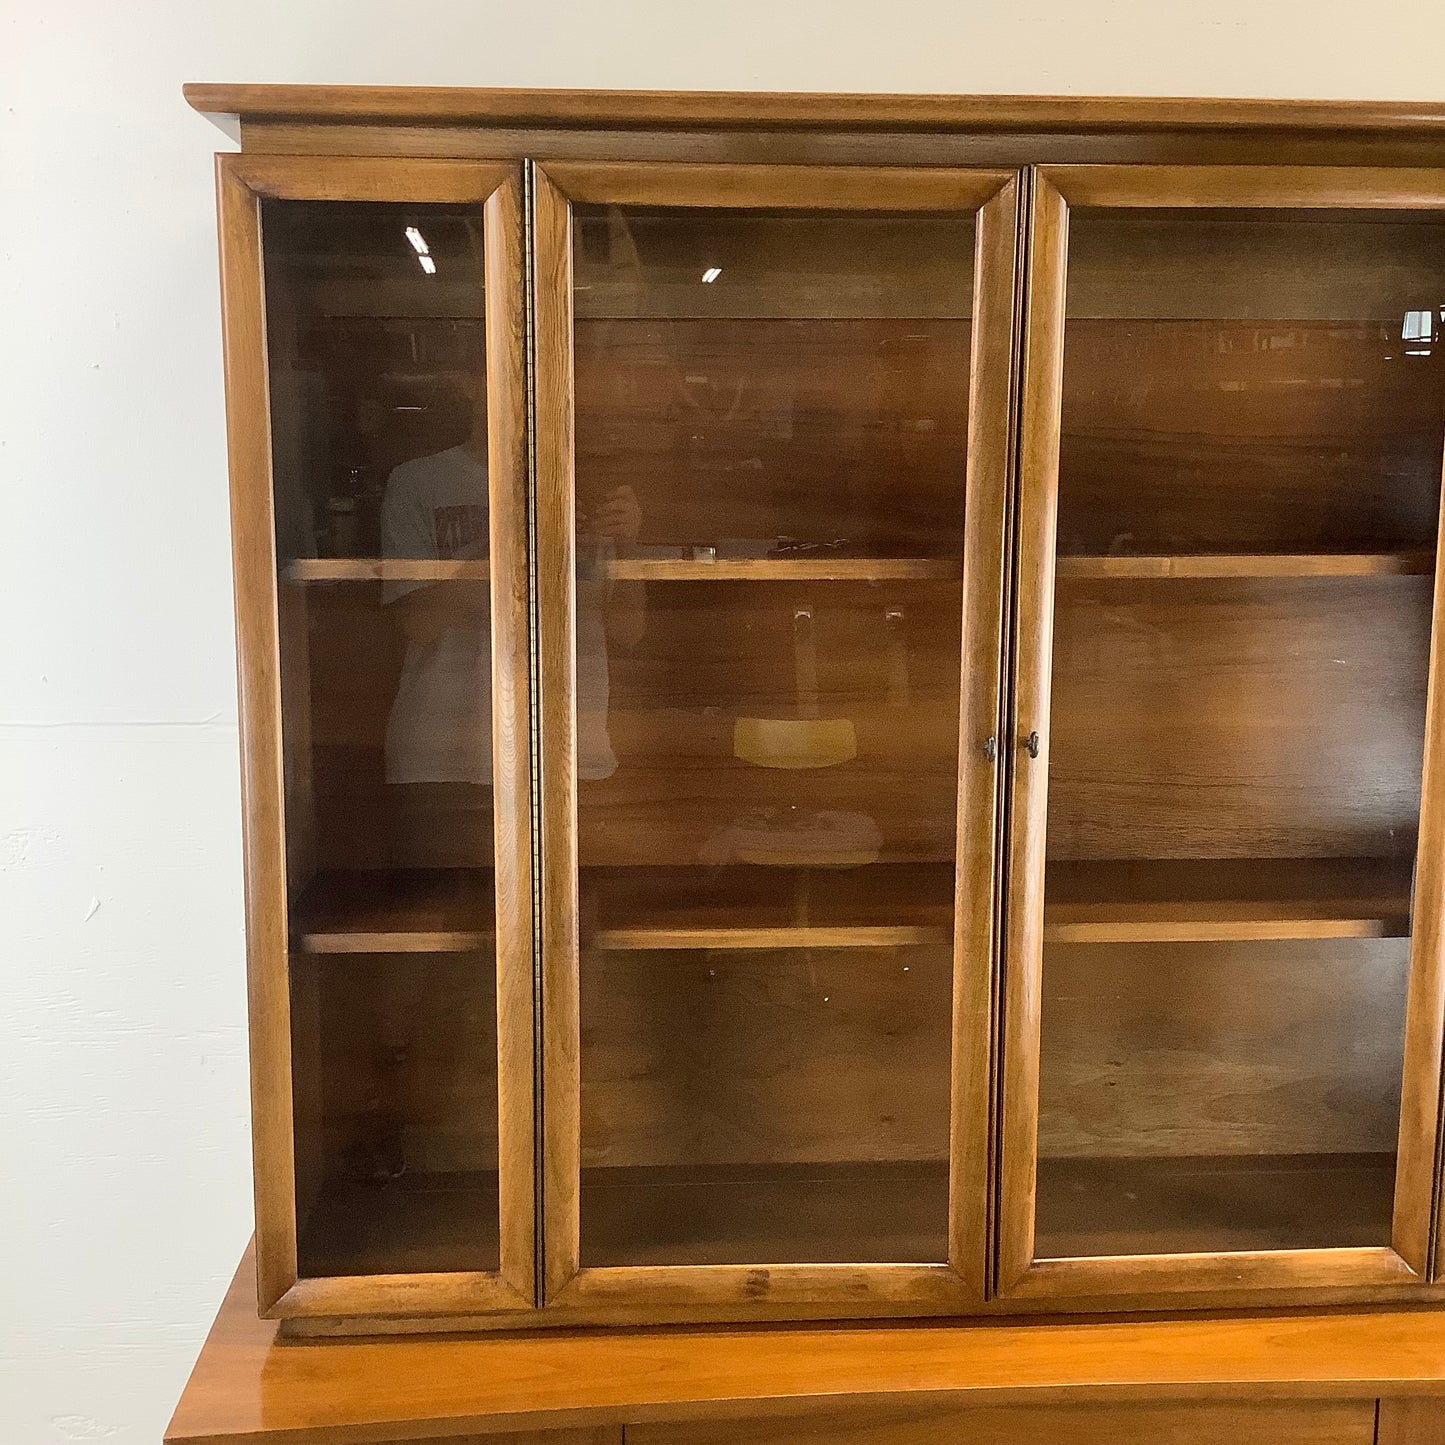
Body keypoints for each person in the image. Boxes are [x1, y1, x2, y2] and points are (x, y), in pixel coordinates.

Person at [379, 373, 642, 866]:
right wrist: (508, 543)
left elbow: (628, 631)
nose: (527, 384)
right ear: (470, 384)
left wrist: (629, 549)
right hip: (444, 752)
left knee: (575, 929)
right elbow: (417, 622)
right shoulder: (418, 481)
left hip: (568, 746)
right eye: (502, 369)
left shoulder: (584, 482)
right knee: (446, 931)